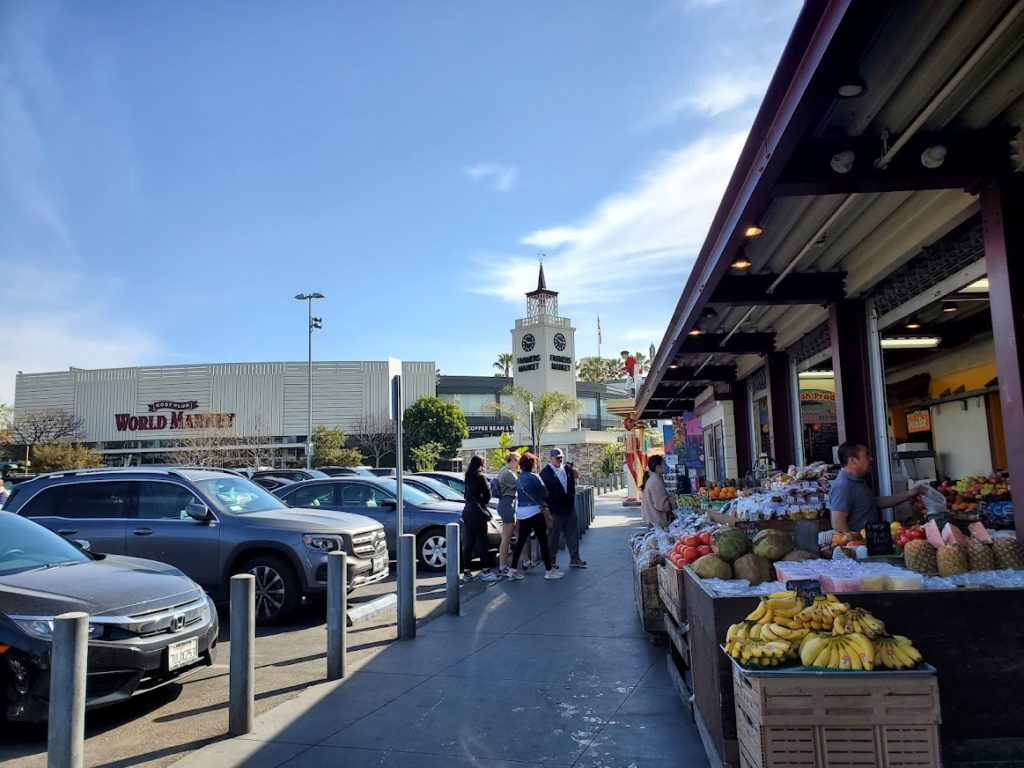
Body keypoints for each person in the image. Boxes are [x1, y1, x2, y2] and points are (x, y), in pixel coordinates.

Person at [828, 442, 922, 533]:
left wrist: (908, 494)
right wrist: (855, 546)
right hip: (860, 547)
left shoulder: (857, 481)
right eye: (866, 455)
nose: (871, 458)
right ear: (853, 460)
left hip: (872, 543)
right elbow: (838, 524)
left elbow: (875, 502)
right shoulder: (843, 486)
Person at [507, 452, 563, 580]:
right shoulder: (534, 477)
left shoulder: (519, 478)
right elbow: (544, 493)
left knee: (521, 541)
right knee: (543, 541)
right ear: (532, 464)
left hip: (521, 512)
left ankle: (512, 570)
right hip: (534, 511)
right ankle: (549, 570)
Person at [541, 448, 587, 568]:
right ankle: (551, 561)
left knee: (573, 534)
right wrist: (547, 508)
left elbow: (572, 482)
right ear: (551, 458)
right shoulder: (545, 473)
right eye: (557, 458)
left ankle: (575, 558)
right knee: (553, 537)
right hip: (555, 510)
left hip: (569, 508)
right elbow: (543, 493)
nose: (559, 460)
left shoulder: (567, 469)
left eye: (561, 457)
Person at [462, 455, 499, 582]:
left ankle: (466, 572)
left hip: (467, 510)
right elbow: (488, 494)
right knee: (482, 541)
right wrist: (482, 503)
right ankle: (486, 570)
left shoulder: (467, 477)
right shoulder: (480, 477)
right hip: (477, 511)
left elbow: (465, 495)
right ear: (481, 464)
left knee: (469, 542)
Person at [495, 452, 520, 576]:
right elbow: (520, 485)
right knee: (506, 537)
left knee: (518, 534)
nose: (518, 464)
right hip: (507, 504)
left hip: (506, 504)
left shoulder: (502, 470)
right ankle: (502, 566)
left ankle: (526, 561)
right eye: (518, 461)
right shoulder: (508, 473)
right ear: (514, 460)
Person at [641, 454, 673, 528]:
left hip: (653, 521)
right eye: (664, 464)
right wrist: (674, 500)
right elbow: (662, 505)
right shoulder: (655, 481)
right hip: (657, 522)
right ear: (658, 467)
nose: (667, 467)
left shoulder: (653, 479)